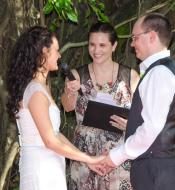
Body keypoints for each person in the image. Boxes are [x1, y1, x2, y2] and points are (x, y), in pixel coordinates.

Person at [6, 26, 105, 190]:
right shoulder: (35, 91)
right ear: (44, 52)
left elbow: (56, 134)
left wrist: (86, 159)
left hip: (50, 166)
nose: (59, 56)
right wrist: (90, 159)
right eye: (56, 51)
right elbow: (50, 141)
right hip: (40, 168)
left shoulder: (41, 88)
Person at [101, 12, 175, 190]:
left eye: (135, 37)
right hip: (155, 168)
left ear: (152, 36)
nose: (132, 44)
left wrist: (115, 156)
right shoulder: (162, 70)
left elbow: (152, 127)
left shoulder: (159, 73)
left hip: (155, 170)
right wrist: (131, 124)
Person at [61, 22, 139, 190]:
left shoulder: (130, 76)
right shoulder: (76, 75)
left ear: (114, 46)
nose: (96, 50)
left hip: (118, 156)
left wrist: (131, 124)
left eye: (102, 45)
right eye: (92, 45)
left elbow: (143, 116)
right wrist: (70, 92)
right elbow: (67, 108)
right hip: (85, 155)